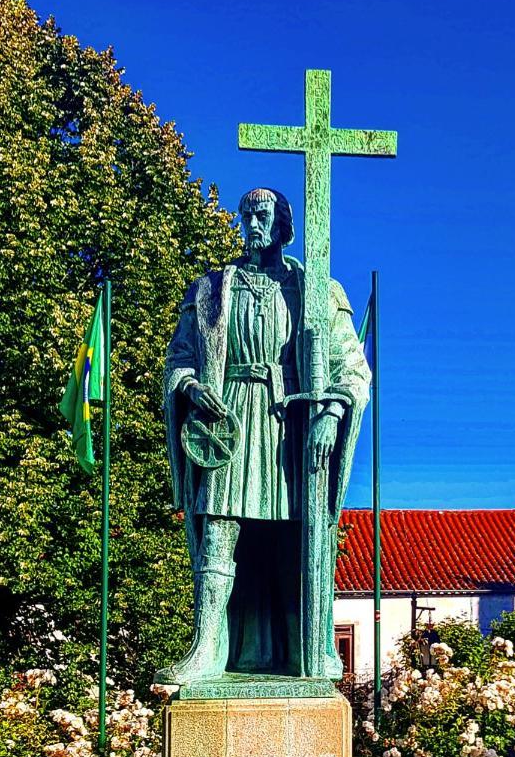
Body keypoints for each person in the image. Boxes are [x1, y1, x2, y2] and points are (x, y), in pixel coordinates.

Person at [155, 188, 369, 684]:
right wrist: (189, 387)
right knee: (219, 526)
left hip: (288, 422)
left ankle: (304, 645)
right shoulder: (211, 289)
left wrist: (333, 411)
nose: (254, 224)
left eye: (263, 215)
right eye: (247, 215)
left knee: (295, 532)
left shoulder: (315, 289)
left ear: (284, 224)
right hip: (229, 418)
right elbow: (179, 357)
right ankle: (207, 646)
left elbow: (352, 367)